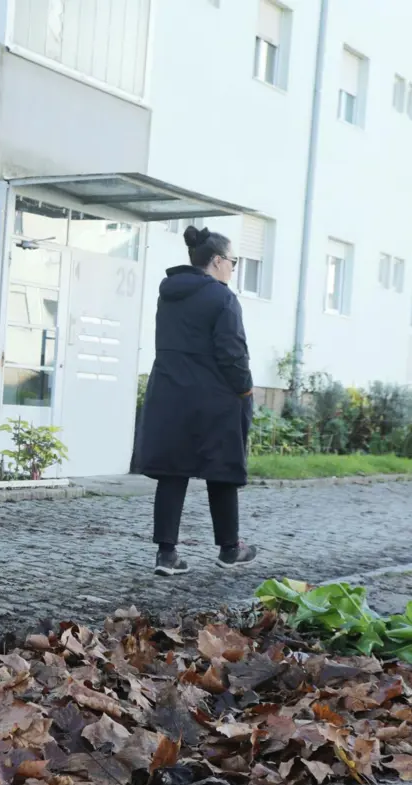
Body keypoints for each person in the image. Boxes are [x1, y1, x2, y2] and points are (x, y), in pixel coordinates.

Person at [134, 225, 259, 577]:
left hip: (170, 394)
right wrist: (245, 390)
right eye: (233, 262)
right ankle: (230, 548)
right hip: (214, 398)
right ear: (217, 261)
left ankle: (167, 555)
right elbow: (232, 352)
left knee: (173, 473)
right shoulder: (222, 298)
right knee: (223, 470)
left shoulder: (168, 294)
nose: (233, 269)